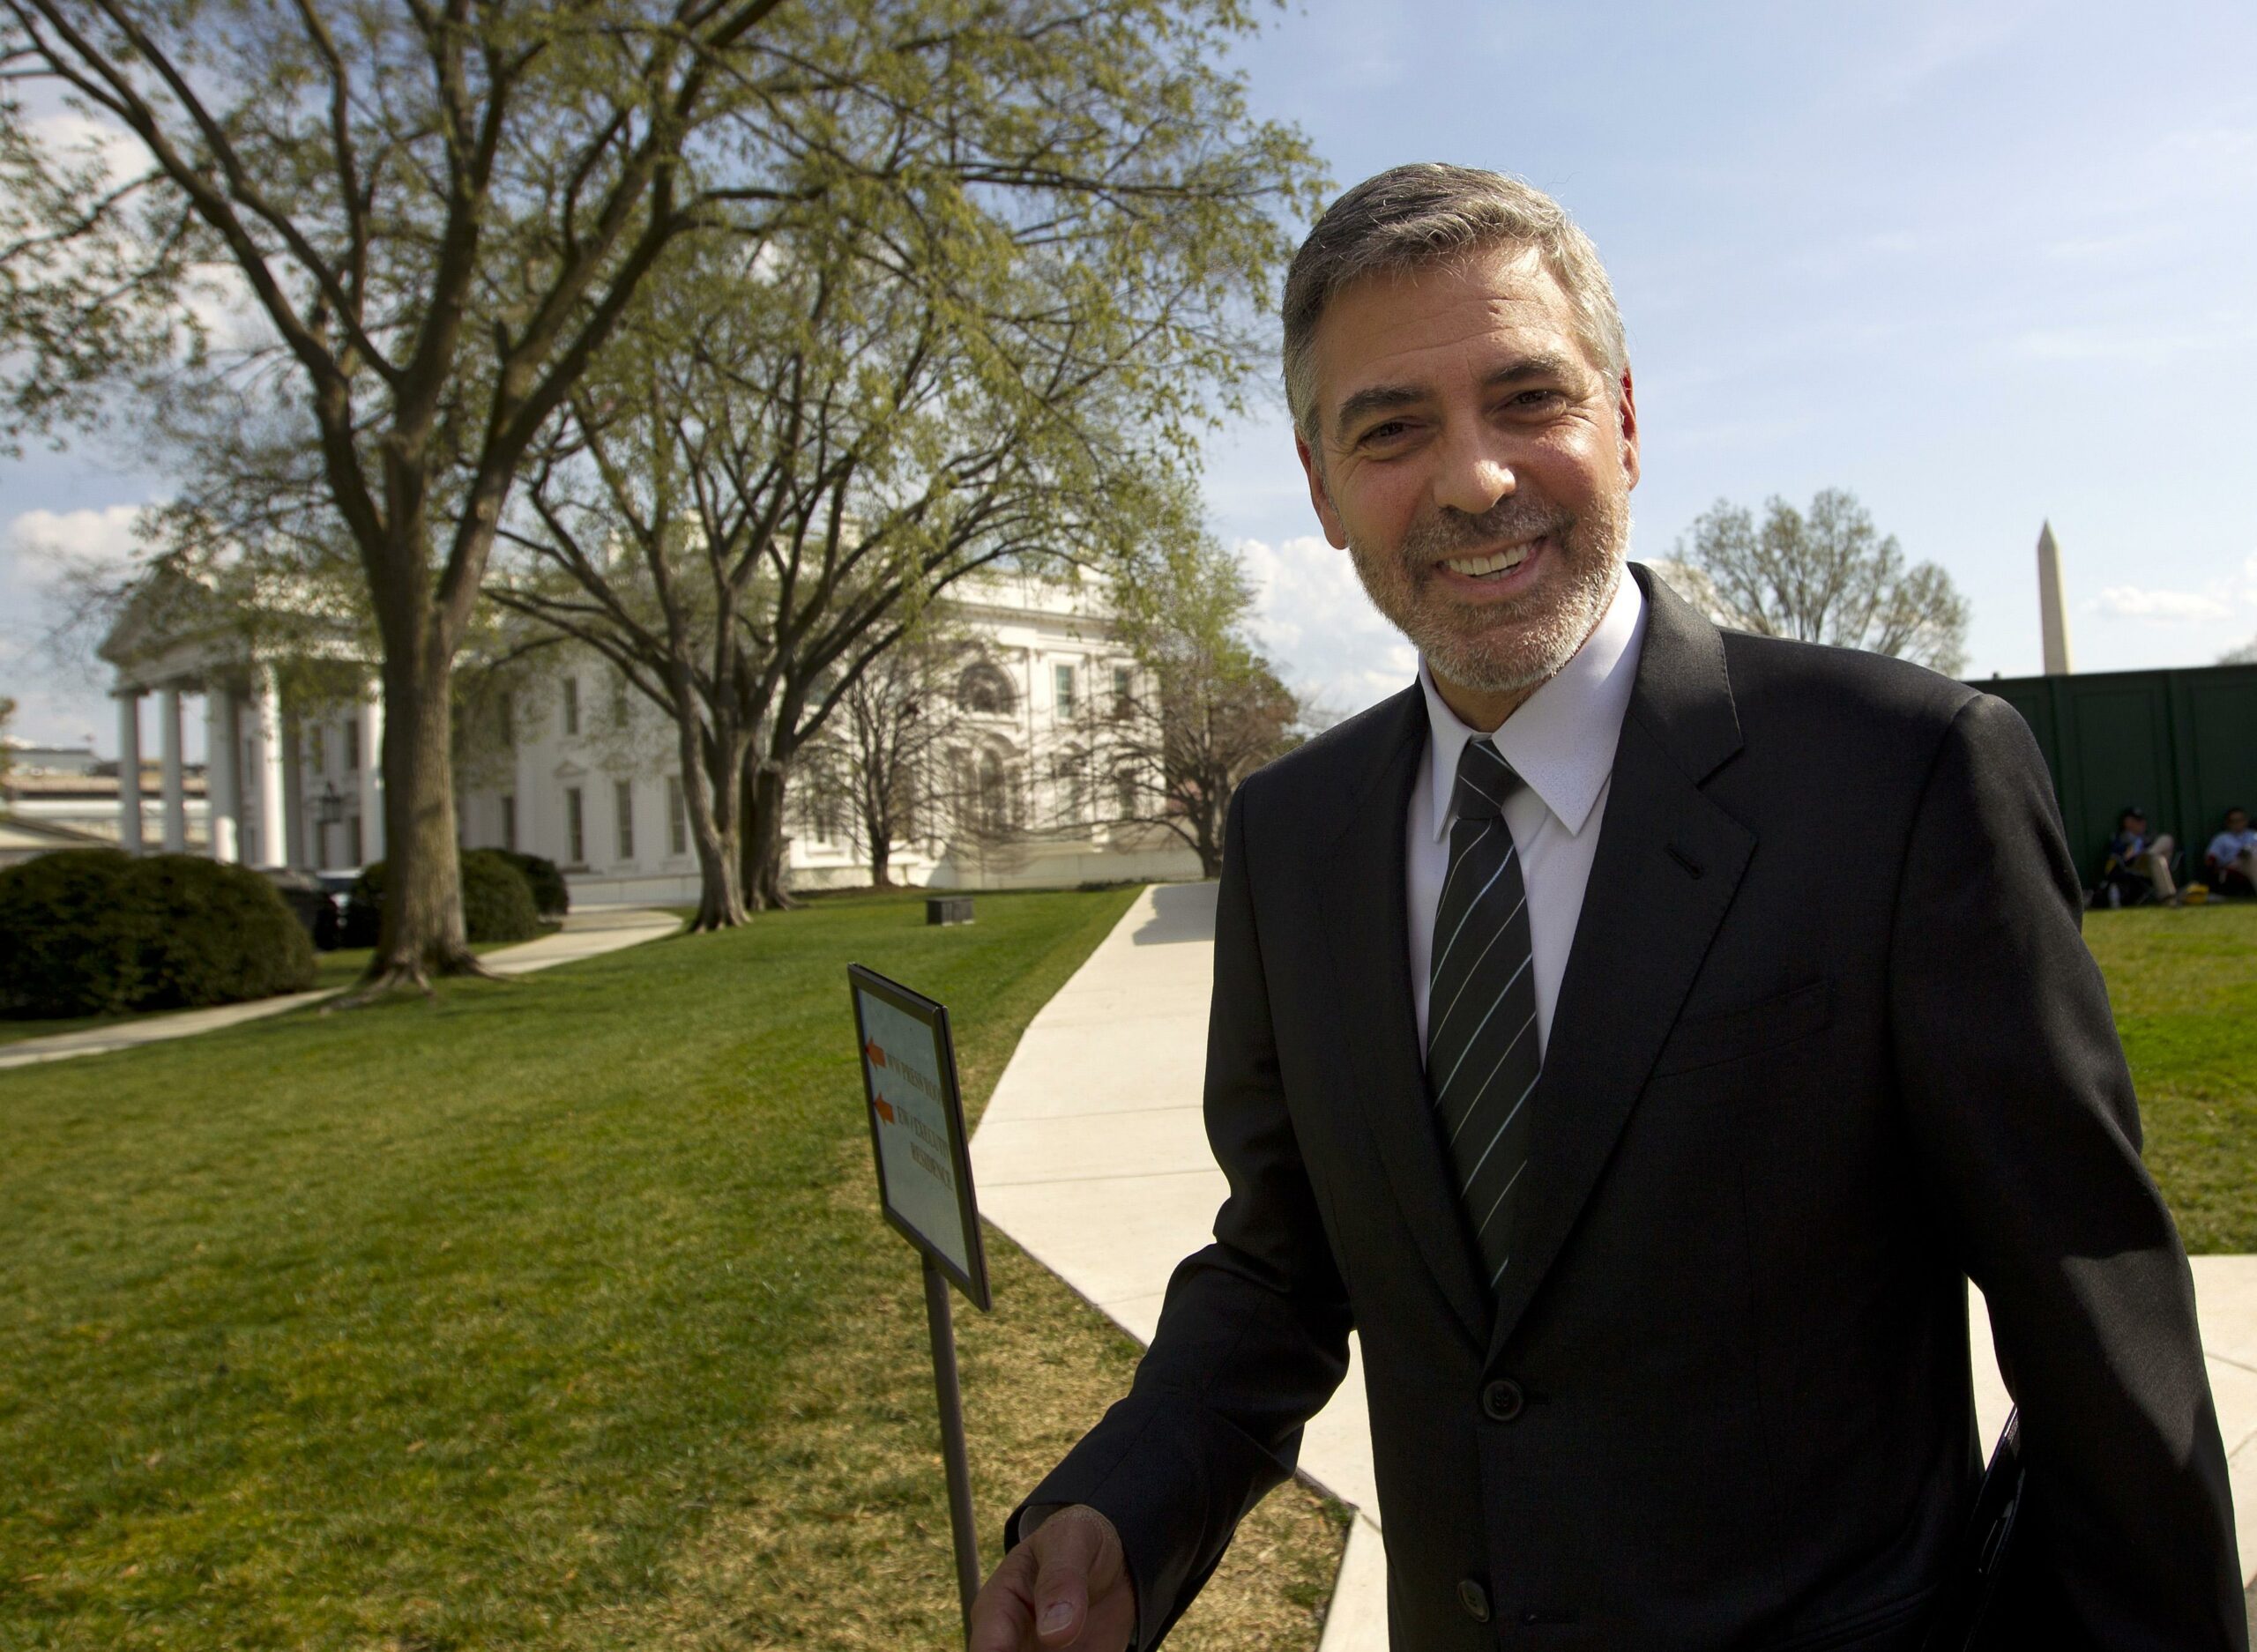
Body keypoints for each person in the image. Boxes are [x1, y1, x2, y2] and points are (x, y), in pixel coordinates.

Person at [969, 165, 2244, 1650]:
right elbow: (1280, 1263)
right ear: (1320, 485)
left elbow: (2097, 1332)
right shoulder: (1291, 837)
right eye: (1392, 428)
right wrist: (1123, 1505)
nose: (1474, 479)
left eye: (1529, 399)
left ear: (1623, 418)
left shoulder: (1904, 779)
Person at [2104, 805, 2180, 906]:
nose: (2143, 823)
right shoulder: (2120, 840)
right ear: (2128, 822)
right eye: (2138, 821)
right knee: (2155, 858)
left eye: (2143, 820)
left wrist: (2148, 850)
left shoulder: (2147, 838)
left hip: (2154, 864)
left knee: (2165, 841)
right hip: (2134, 867)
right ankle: (2169, 899)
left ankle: (2150, 853)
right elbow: (2118, 859)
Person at [2206, 806, 2257, 897]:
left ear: (2246, 821)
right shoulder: (2222, 838)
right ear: (2228, 823)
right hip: (2232, 866)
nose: (2238, 824)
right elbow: (2211, 859)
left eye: (2241, 820)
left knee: (2253, 857)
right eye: (2234, 821)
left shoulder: (2253, 835)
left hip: (2251, 862)